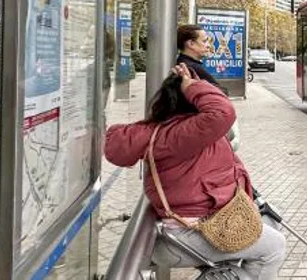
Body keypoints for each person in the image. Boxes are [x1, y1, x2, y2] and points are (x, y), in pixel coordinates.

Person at [104, 64, 286, 279]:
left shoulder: (160, 131)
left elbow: (118, 143)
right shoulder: (187, 132)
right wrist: (192, 86)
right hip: (190, 233)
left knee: (268, 230)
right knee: (274, 247)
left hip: (188, 228)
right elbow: (223, 112)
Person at [178, 24, 239, 150]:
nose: (209, 45)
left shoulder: (188, 64)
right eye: (205, 41)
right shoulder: (190, 68)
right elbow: (217, 93)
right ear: (191, 43)